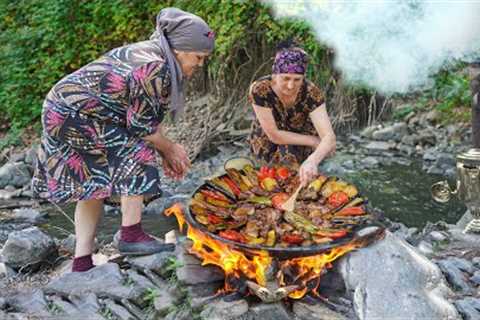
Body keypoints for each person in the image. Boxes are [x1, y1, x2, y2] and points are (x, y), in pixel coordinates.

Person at [32, 8, 215, 272]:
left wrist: (165, 148)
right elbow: (141, 128)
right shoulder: (156, 67)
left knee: (92, 184)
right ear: (180, 49)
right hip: (74, 114)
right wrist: (170, 149)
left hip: (61, 107)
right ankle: (131, 234)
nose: (199, 64)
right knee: (136, 150)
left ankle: (81, 262)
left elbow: (145, 115)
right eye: (198, 57)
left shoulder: (152, 53)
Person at [248, 42, 336, 185]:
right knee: (271, 174)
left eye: (297, 80)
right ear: (275, 75)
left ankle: (304, 172)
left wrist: (312, 160)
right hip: (270, 134)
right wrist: (314, 141)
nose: (290, 86)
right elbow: (274, 135)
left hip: (300, 131)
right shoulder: (260, 89)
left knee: (302, 169)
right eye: (286, 78)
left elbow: (329, 137)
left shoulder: (312, 92)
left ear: (303, 77)